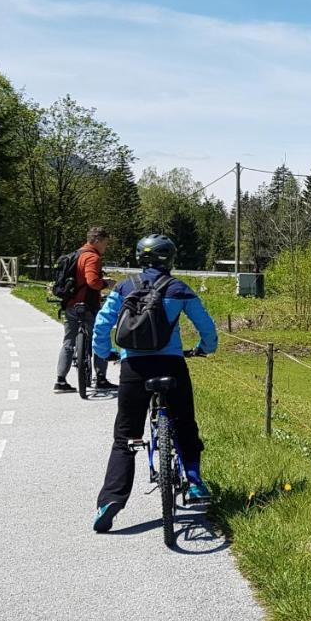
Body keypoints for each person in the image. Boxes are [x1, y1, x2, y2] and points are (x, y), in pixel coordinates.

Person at [90, 233, 218, 532]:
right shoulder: (179, 289)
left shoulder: (124, 287)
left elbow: (102, 324)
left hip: (133, 367)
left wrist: (104, 352)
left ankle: (111, 500)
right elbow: (207, 327)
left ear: (140, 258)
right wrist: (205, 348)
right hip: (171, 365)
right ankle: (195, 482)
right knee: (185, 423)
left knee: (125, 437)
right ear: (170, 259)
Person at [55, 227, 117, 393]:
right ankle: (101, 378)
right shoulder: (92, 257)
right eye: (105, 242)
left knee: (68, 342)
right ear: (97, 240)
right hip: (87, 305)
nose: (106, 246)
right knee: (99, 338)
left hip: (70, 304)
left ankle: (60, 380)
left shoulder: (76, 254)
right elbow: (92, 282)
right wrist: (106, 283)